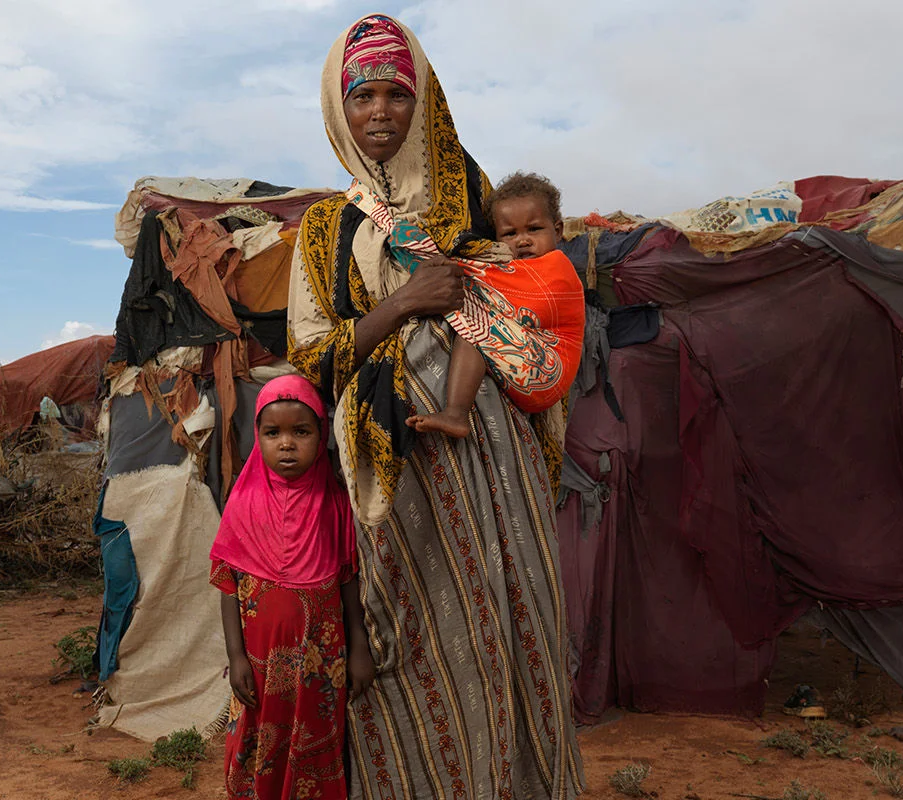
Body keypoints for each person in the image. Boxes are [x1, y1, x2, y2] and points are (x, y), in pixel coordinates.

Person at [287, 14, 584, 800]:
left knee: (515, 617)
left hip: (491, 455)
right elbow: (310, 355)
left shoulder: (476, 199)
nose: (379, 112)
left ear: (424, 105)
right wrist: (402, 304)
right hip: (394, 456)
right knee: (412, 634)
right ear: (337, 110)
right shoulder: (323, 228)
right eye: (362, 97)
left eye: (395, 95)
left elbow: (529, 305)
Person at [209, 374, 374, 800]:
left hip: (319, 661)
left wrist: (358, 647)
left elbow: (347, 581)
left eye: (300, 431)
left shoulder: (334, 501)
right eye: (273, 433)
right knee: (258, 738)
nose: (286, 443)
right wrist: (235, 656)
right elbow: (230, 585)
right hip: (260, 666)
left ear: (322, 437)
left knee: (315, 741)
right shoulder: (243, 502)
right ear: (257, 438)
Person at [405, 172, 584, 438]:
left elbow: (524, 300)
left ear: (557, 230)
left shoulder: (558, 268)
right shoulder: (515, 268)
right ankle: (456, 413)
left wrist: (451, 265)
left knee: (477, 328)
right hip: (526, 371)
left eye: (534, 229)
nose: (523, 240)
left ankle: (455, 414)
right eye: (510, 234)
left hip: (548, 369)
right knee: (472, 335)